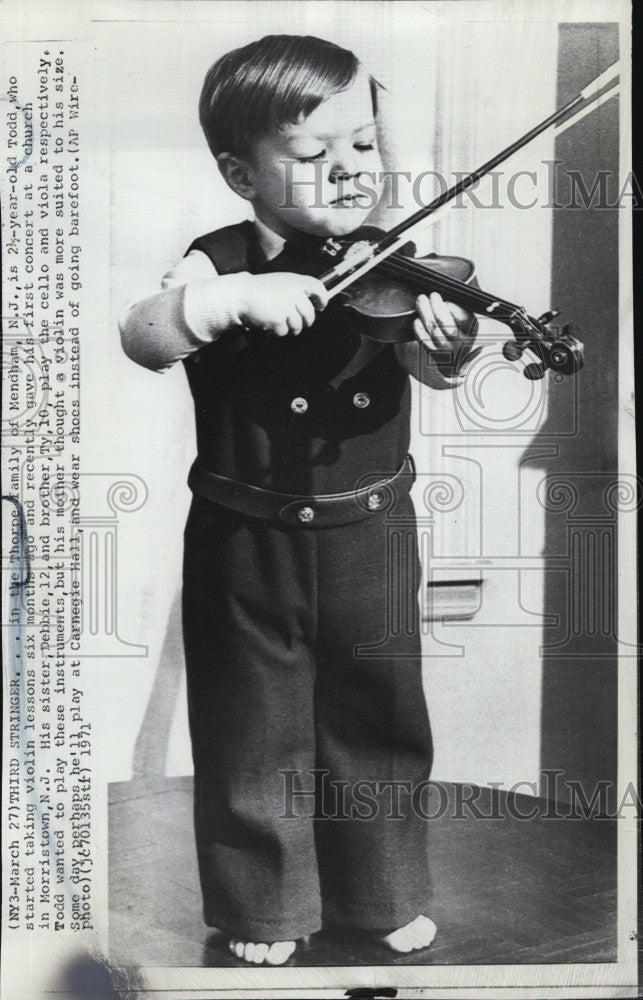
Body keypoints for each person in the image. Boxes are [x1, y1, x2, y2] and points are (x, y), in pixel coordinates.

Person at [120, 33, 478, 966]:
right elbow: (144, 335)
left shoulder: (395, 261)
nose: (352, 169)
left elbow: (425, 370)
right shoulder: (216, 261)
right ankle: (263, 906)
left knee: (380, 721)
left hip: (371, 531)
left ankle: (382, 893)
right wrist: (230, 298)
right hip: (248, 539)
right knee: (252, 728)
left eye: (364, 144)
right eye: (316, 155)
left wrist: (446, 345)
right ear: (241, 172)